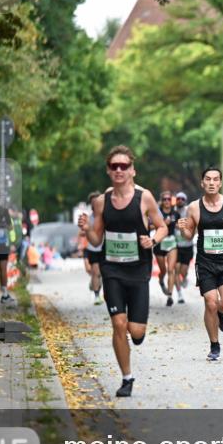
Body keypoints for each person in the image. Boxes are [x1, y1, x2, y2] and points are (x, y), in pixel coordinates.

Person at [79, 145, 168, 397]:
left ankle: (136, 333)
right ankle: (127, 378)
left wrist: (153, 239)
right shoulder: (101, 201)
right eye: (114, 166)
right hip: (112, 269)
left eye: (124, 166)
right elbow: (96, 241)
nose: (119, 170)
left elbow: (162, 227)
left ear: (132, 170)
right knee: (119, 324)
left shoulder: (145, 197)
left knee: (136, 331)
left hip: (139, 269)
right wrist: (87, 229)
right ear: (108, 170)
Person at [176, 166, 223, 362]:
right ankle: (214, 345)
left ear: (220, 183)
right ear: (202, 183)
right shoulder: (194, 207)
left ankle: (222, 314)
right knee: (210, 302)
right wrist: (183, 230)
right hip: (205, 262)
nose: (212, 183)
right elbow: (189, 235)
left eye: (216, 179)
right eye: (208, 179)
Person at [152, 190, 180, 306]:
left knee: (171, 270)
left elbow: (179, 225)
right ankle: (161, 280)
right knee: (163, 270)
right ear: (161, 201)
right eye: (165, 199)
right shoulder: (157, 213)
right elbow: (150, 225)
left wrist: (181, 226)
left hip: (172, 243)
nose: (167, 201)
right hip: (160, 243)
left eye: (169, 199)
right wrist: (163, 223)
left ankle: (169, 295)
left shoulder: (175, 213)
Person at [82, 191, 104, 305]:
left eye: (97, 201)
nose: (96, 203)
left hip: (105, 248)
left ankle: (96, 286)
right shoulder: (88, 218)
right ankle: (96, 295)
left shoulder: (106, 216)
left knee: (103, 273)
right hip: (92, 249)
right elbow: (81, 233)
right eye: (93, 202)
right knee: (96, 272)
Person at [173, 191, 194, 303]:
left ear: (185, 201)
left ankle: (185, 277)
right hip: (175, 246)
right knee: (176, 270)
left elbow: (193, 225)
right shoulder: (173, 212)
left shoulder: (188, 211)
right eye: (178, 198)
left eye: (182, 198)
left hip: (187, 246)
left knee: (183, 271)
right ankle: (180, 295)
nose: (180, 200)